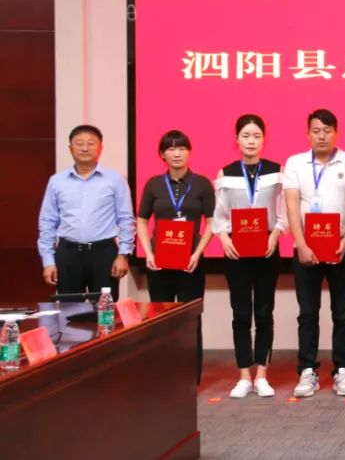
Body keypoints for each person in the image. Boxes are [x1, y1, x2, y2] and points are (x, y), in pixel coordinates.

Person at [283, 109, 345, 397]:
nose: (321, 136)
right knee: (307, 312)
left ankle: (342, 369)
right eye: (316, 131)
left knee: (342, 312)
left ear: (336, 133)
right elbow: (292, 206)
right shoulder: (295, 163)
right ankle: (307, 370)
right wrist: (301, 244)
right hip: (306, 249)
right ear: (308, 134)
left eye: (327, 130)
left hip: (342, 248)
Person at [212, 114, 286, 399]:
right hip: (236, 250)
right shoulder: (227, 173)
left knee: (264, 312)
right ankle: (244, 375)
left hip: (267, 247)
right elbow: (219, 215)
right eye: (245, 136)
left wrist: (275, 234)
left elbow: (283, 211)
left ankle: (262, 375)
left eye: (256, 136)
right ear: (237, 140)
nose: (251, 141)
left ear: (264, 139)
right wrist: (224, 238)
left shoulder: (276, 172)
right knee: (241, 313)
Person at [135, 129, 215, 382]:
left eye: (181, 148)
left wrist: (198, 253)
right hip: (159, 263)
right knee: (161, 319)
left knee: (191, 319)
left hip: (191, 263)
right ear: (162, 154)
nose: (176, 153)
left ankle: (191, 376)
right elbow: (142, 220)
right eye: (170, 149)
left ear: (189, 152)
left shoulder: (202, 184)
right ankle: (164, 375)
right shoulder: (154, 184)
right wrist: (147, 253)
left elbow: (212, 222)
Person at [38, 124, 135, 294]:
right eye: (79, 143)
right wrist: (48, 261)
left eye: (91, 143)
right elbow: (47, 222)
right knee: (69, 307)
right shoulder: (57, 181)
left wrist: (123, 255)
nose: (85, 148)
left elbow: (126, 219)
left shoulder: (115, 179)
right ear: (70, 148)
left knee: (105, 307)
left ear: (100, 148)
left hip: (104, 253)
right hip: (68, 253)